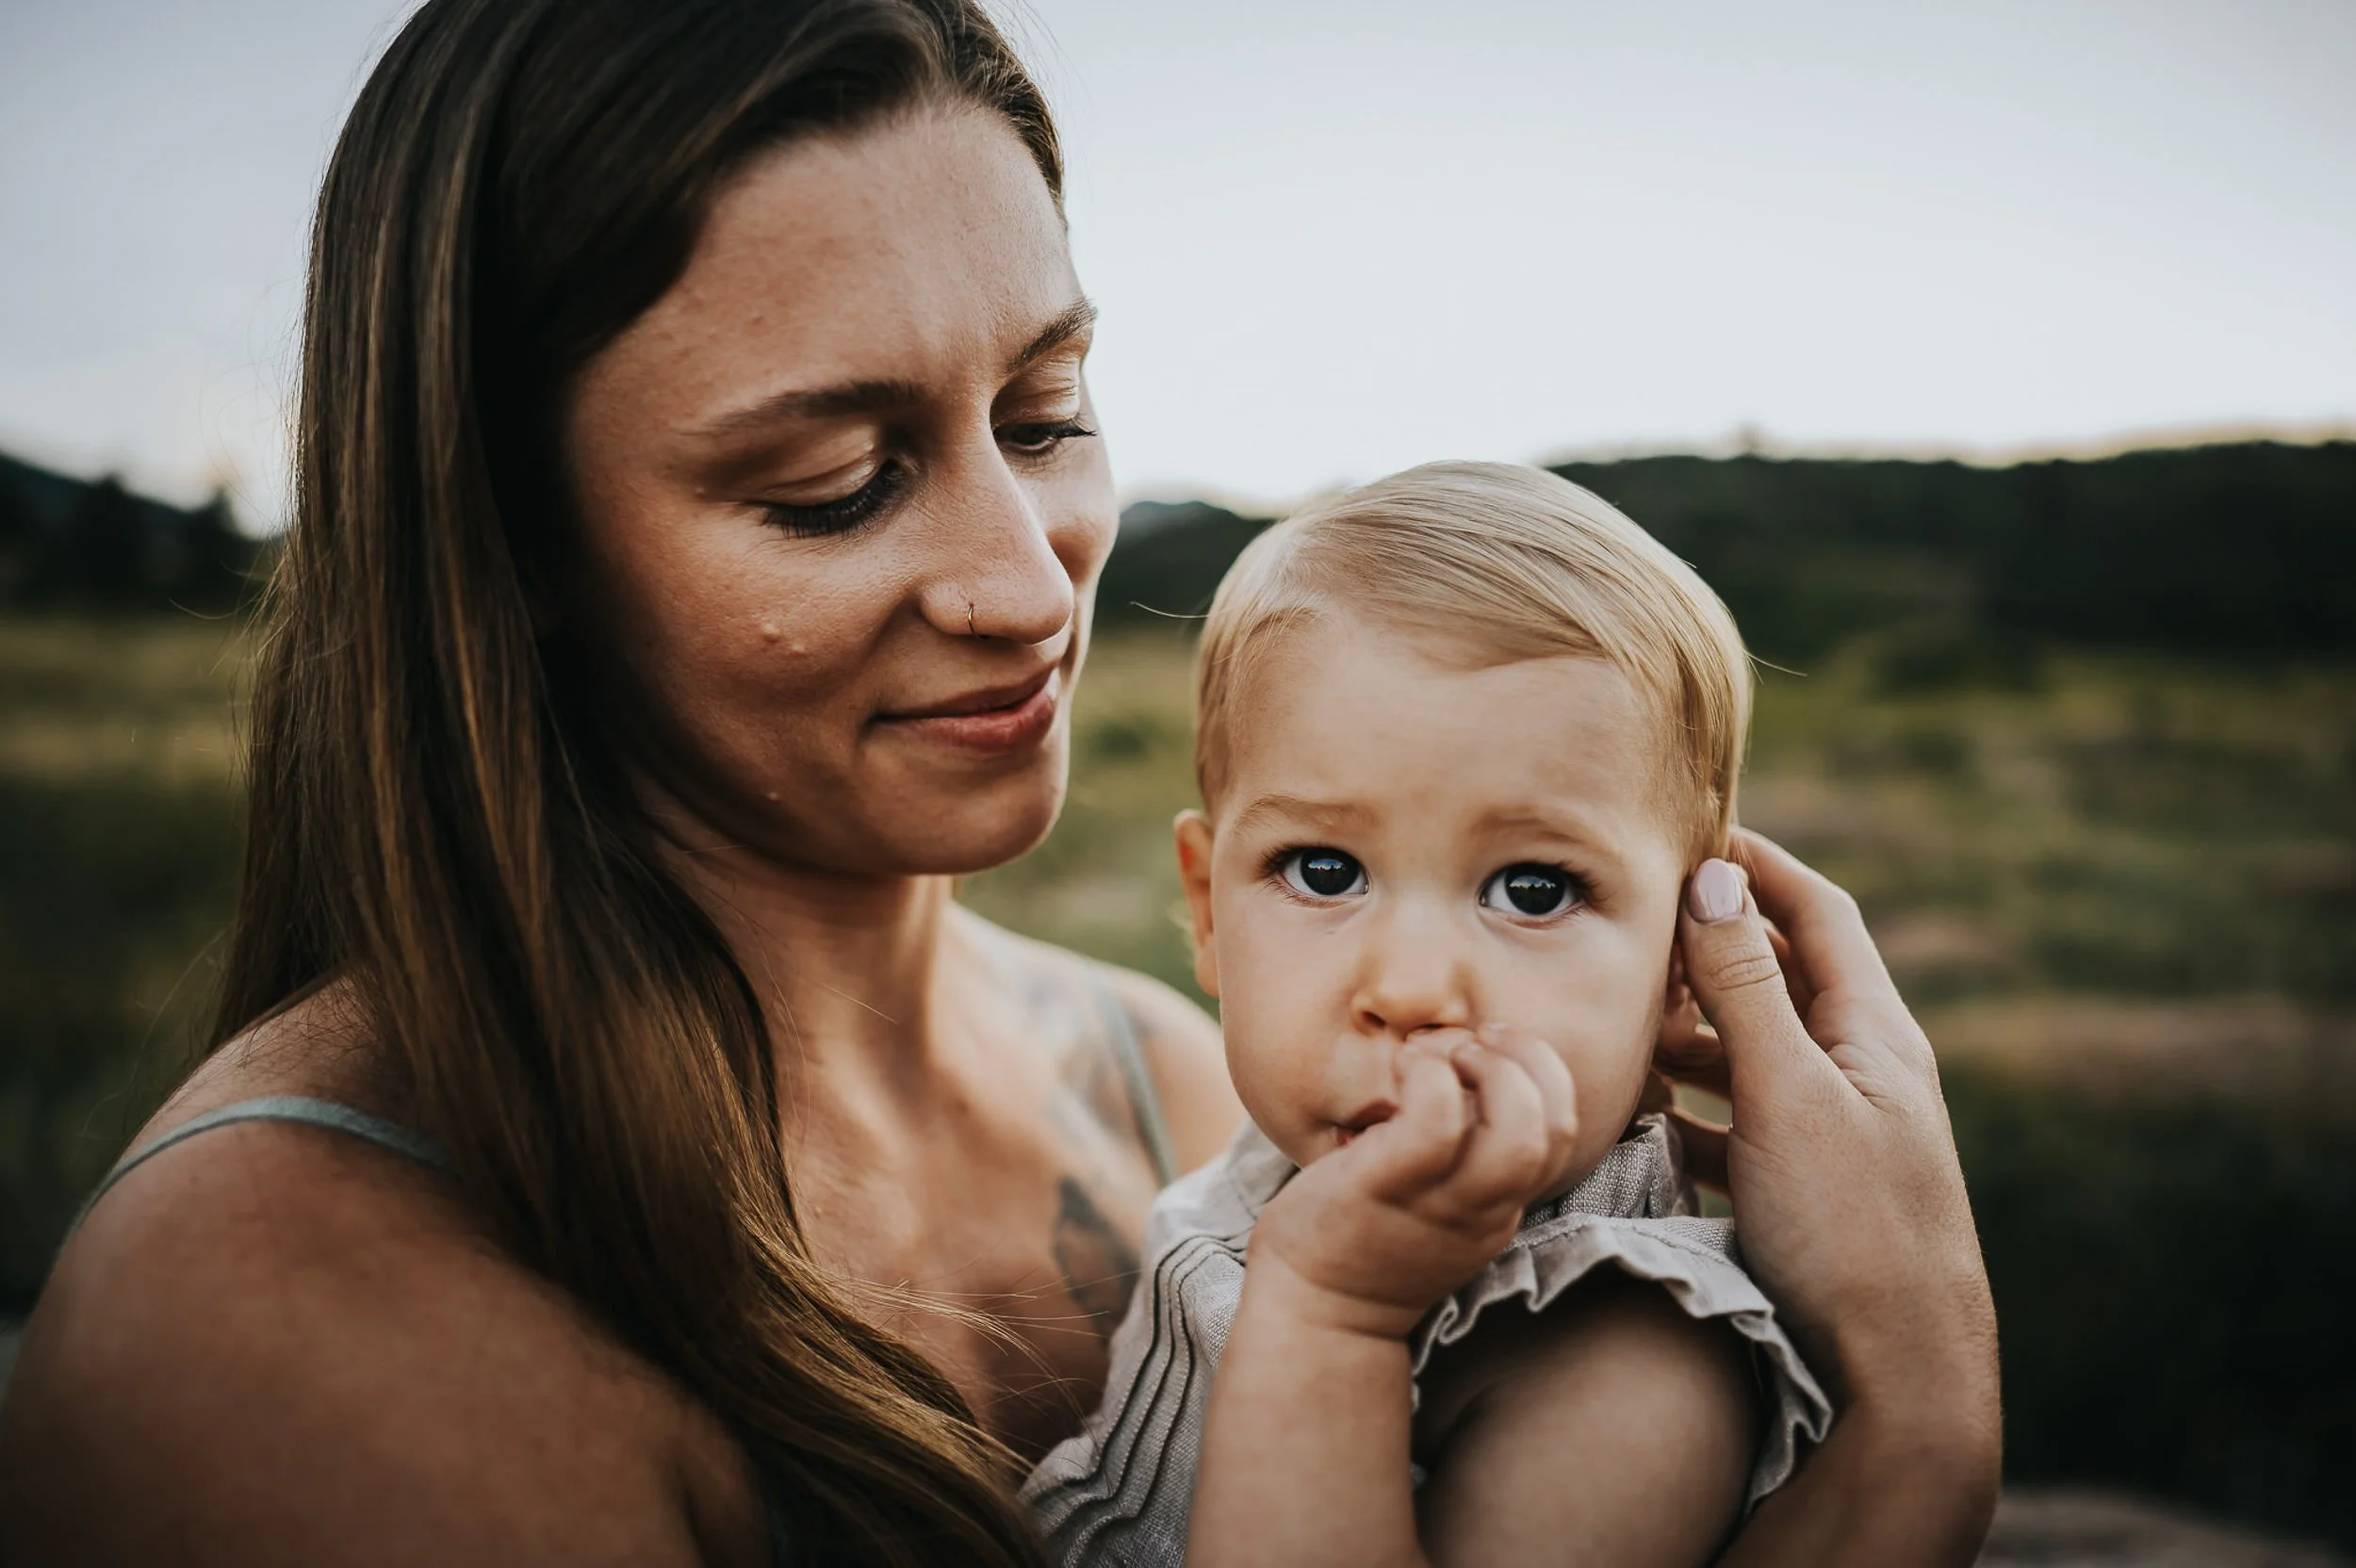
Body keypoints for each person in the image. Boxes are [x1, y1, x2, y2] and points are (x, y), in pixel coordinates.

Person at [0, 3, 1998, 1565]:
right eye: (831, 483)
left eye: (1042, 410)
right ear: (508, 556)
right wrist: (1906, 1447)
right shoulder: (280, 1317)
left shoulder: (1193, 1087)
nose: (1023, 572)